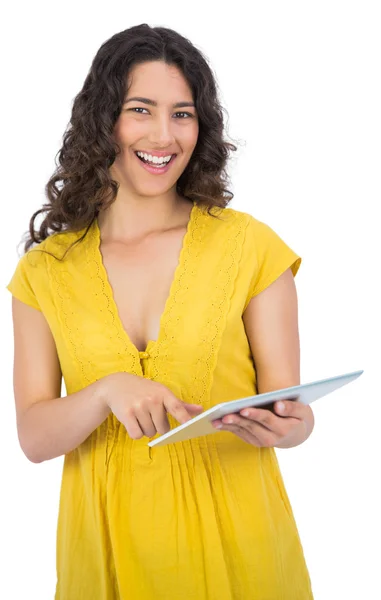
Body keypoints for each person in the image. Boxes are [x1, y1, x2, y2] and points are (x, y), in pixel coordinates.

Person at [7, 23, 315, 600]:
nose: (164, 134)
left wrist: (294, 426)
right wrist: (104, 392)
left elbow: (288, 409)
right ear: (104, 120)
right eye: (141, 109)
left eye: (183, 113)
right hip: (106, 555)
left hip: (239, 545)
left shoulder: (250, 248)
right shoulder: (44, 273)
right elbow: (34, 437)